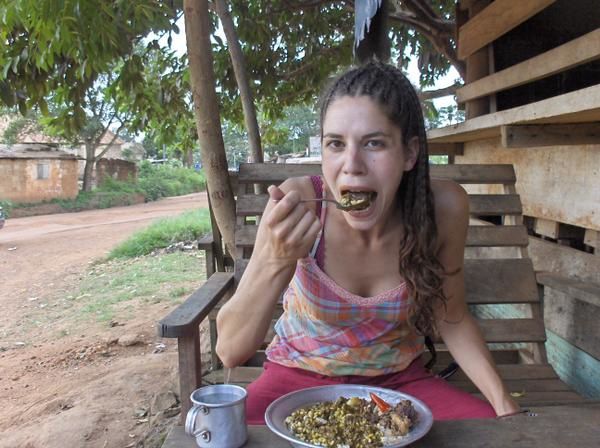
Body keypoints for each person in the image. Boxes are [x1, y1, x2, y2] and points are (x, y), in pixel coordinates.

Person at [215, 61, 520, 424]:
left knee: (490, 436)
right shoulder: (299, 203)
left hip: (400, 384)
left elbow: (451, 317)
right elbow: (230, 351)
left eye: (374, 143)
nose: (352, 165)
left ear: (409, 153)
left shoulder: (444, 208)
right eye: (336, 144)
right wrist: (276, 260)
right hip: (294, 379)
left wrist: (506, 407)